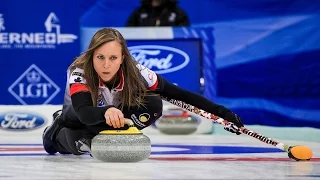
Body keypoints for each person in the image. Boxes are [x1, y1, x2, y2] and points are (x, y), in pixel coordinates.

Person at [42, 27, 243, 155]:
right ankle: (55, 131)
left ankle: (109, 134)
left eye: (113, 58)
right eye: (100, 57)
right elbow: (84, 111)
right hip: (78, 117)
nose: (106, 65)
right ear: (91, 56)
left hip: (108, 118)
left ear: (122, 58)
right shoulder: (80, 71)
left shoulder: (137, 72)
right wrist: (106, 111)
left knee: (154, 103)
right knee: (76, 145)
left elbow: (180, 95)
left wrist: (223, 114)